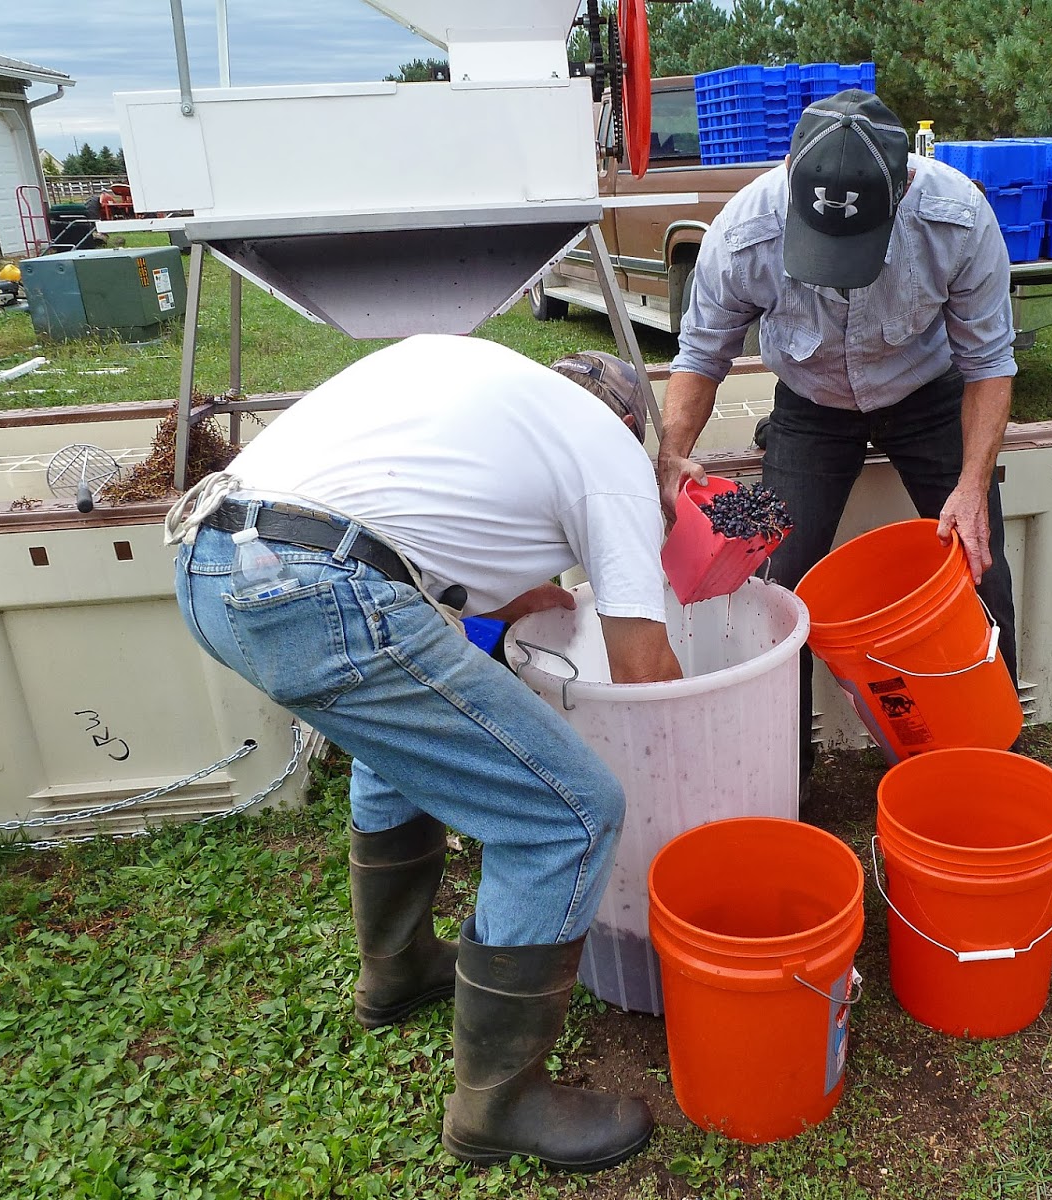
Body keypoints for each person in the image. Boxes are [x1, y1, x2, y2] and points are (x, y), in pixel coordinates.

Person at [165, 336, 679, 1173]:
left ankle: (396, 970)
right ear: (628, 423)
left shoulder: (476, 385)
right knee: (570, 815)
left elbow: (440, 549)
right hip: (317, 585)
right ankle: (499, 1103)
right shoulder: (608, 451)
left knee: (398, 743)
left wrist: (530, 600)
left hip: (211, 563)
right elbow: (644, 669)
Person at [657, 89, 1021, 769]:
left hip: (927, 393)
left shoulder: (959, 217)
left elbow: (989, 362)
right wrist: (674, 454)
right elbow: (702, 354)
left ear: (905, 181)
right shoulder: (744, 232)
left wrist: (973, 485)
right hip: (811, 403)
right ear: (792, 170)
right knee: (780, 582)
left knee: (976, 556)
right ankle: (787, 775)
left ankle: (996, 751)